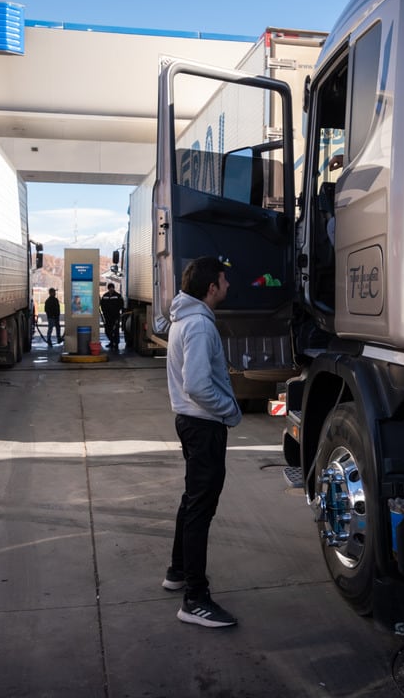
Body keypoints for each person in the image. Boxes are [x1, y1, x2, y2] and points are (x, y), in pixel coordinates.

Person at [163, 255, 242, 628]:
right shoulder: (199, 326)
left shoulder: (186, 319)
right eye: (224, 281)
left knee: (191, 502)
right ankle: (194, 598)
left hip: (191, 423)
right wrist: (228, 409)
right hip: (204, 425)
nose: (228, 285)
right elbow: (196, 384)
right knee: (200, 509)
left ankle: (178, 570)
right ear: (211, 289)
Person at [99, 283, 124, 349]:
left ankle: (116, 343)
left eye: (112, 287)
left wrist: (117, 312)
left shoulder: (118, 296)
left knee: (115, 331)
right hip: (107, 317)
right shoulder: (105, 296)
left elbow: (121, 305)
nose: (111, 289)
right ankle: (111, 341)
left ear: (113, 288)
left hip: (115, 317)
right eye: (110, 288)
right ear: (108, 288)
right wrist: (104, 313)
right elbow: (102, 305)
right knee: (107, 330)